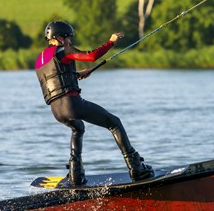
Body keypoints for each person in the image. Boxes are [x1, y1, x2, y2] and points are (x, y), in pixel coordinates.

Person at [35, 21, 154, 186]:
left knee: (78, 128)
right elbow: (91, 56)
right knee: (114, 123)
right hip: (72, 104)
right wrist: (110, 41)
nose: (71, 42)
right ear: (60, 38)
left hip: (57, 111)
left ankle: (75, 174)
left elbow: (55, 78)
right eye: (69, 38)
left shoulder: (40, 59)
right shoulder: (63, 50)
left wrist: (76, 74)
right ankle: (137, 168)